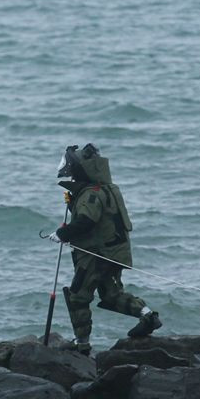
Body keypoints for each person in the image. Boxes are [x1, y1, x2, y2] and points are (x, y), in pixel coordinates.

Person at [50, 143, 161, 353]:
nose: (70, 173)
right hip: (113, 253)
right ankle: (148, 316)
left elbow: (86, 221)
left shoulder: (91, 194)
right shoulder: (107, 189)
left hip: (97, 255)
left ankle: (82, 344)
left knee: (78, 296)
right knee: (111, 294)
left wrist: (61, 234)